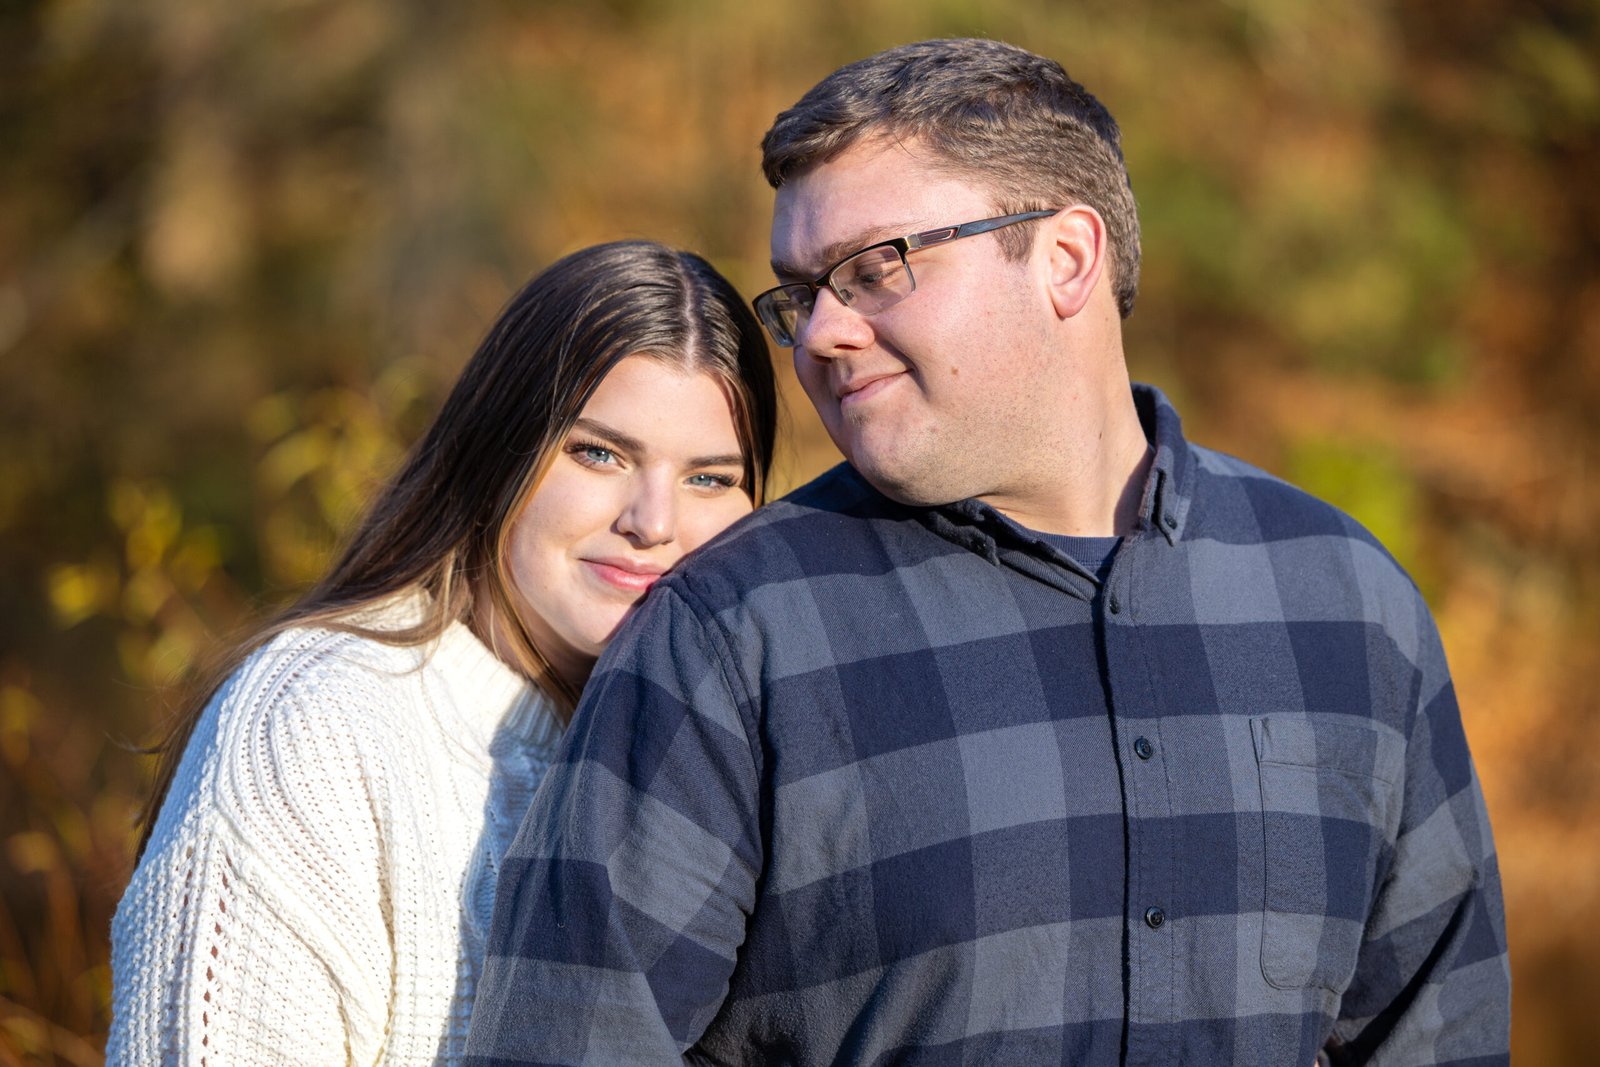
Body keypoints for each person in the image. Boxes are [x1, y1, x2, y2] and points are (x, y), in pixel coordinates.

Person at [467, 40, 1510, 1066]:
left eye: (876, 268)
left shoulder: (1344, 602)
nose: (822, 332)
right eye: (803, 291)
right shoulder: (729, 632)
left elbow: (1439, 1031)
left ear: (1064, 259)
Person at [106, 240, 778, 1065]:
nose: (654, 520)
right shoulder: (317, 727)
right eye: (599, 453)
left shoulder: (719, 752)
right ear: (502, 452)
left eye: (710, 478)